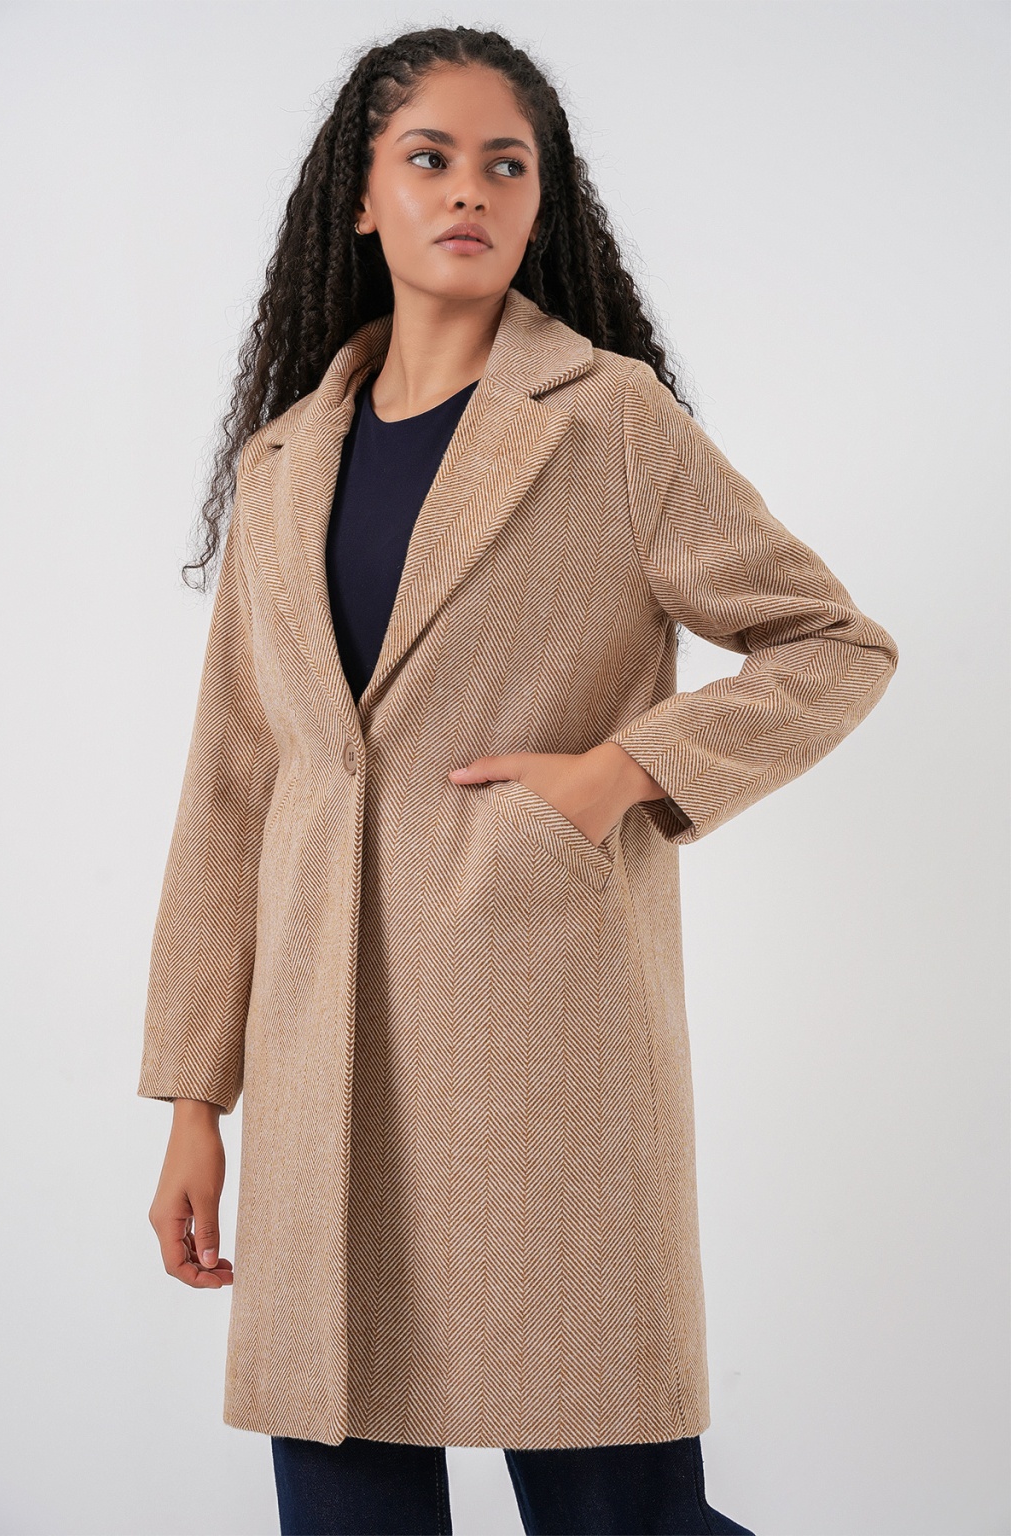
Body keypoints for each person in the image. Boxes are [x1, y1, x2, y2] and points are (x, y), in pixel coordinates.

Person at [138, 24, 898, 1536]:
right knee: (346, 1509)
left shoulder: (605, 418)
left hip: (541, 1057)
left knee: (620, 1514)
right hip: (321, 1072)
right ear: (363, 199)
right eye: (429, 158)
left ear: (542, 203)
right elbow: (233, 791)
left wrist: (626, 769)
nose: (469, 191)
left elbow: (831, 643)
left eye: (507, 165)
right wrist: (194, 1100)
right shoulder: (282, 466)